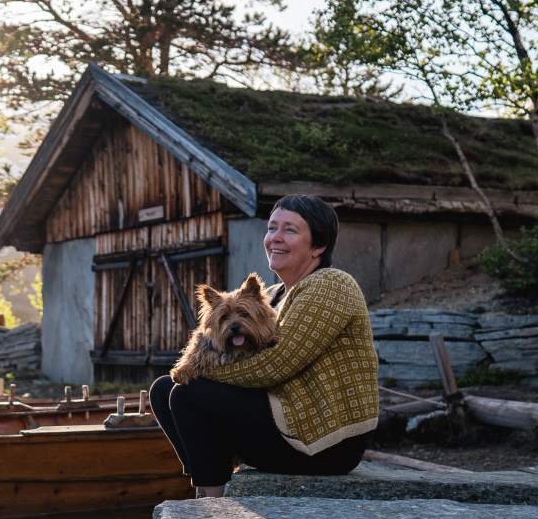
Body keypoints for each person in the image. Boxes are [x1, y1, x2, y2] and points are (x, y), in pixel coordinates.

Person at [148, 195, 380, 498]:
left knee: (190, 391)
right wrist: (197, 365)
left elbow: (277, 364)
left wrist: (200, 370)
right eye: (272, 228)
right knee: (164, 389)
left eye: (290, 230)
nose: (275, 238)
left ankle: (213, 504)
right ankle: (206, 489)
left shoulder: (331, 285)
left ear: (318, 246)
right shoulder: (273, 294)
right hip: (284, 421)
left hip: (325, 441)